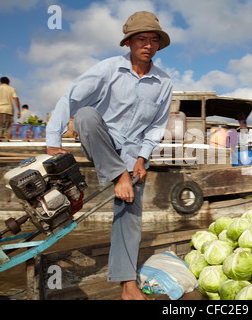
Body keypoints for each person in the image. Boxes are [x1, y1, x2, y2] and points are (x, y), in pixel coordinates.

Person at [45, 11, 172, 300]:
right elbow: (71, 98)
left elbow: (155, 127)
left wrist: (141, 159)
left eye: (154, 40)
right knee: (87, 115)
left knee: (129, 215)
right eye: (141, 38)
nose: (148, 44)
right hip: (100, 142)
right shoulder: (108, 69)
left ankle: (128, 285)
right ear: (128, 42)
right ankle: (119, 176)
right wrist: (53, 142)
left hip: (132, 156)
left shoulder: (163, 82)